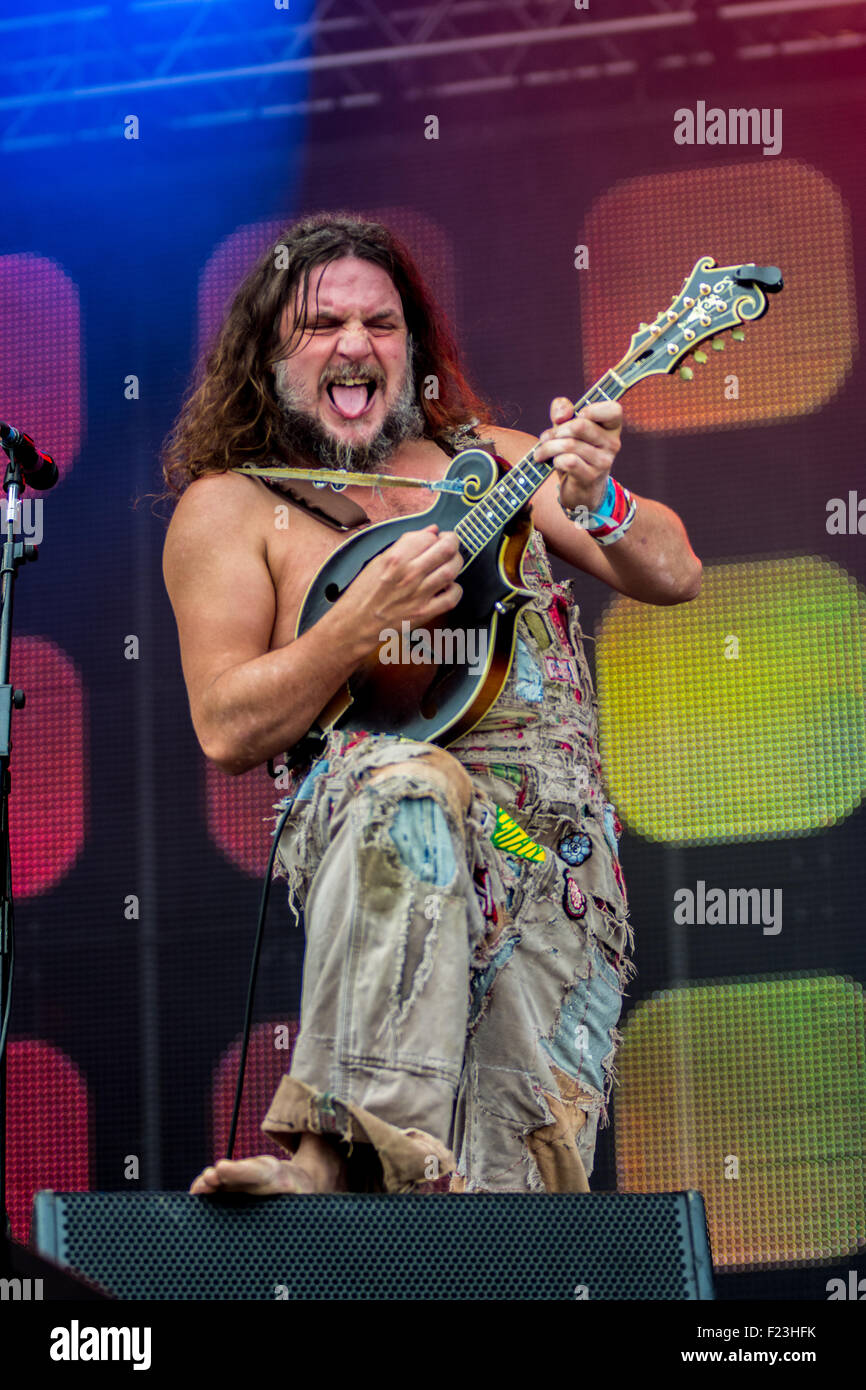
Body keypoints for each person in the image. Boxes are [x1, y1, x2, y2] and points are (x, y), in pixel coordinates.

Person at [161, 212, 701, 1198]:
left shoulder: (494, 458)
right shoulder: (234, 508)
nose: (355, 344)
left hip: (541, 852)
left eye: (380, 323)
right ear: (268, 355)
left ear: (413, 349)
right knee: (411, 783)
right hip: (384, 808)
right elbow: (224, 725)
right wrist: (349, 630)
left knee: (517, 1206)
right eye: (321, 325)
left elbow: (674, 572)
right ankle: (327, 1153)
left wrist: (597, 497)